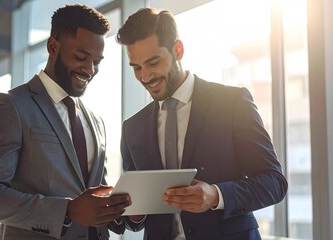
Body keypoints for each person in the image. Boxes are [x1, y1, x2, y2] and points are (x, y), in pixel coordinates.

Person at [116, 7, 288, 240]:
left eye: (153, 63)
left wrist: (215, 195)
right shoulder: (132, 127)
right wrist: (133, 211)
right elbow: (134, 217)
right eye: (136, 68)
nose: (145, 77)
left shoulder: (231, 102)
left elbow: (274, 183)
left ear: (178, 50)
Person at [0, 4, 131, 240]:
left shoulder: (96, 121)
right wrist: (66, 211)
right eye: (81, 57)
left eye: (97, 61)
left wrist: (125, 210)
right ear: (53, 47)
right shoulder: (10, 106)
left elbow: (95, 196)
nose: (90, 69)